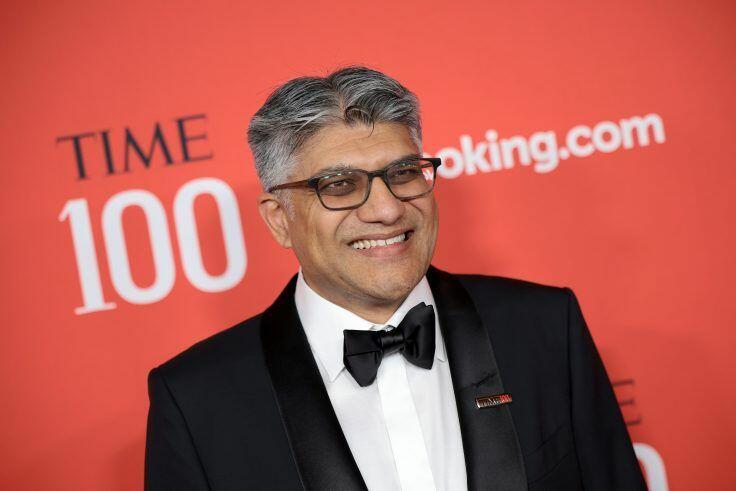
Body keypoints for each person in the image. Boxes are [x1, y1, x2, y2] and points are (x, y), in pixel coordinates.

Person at [144, 66, 646, 491]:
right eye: (340, 185)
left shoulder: (543, 328)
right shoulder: (197, 400)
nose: (387, 209)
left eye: (403, 173)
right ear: (279, 219)